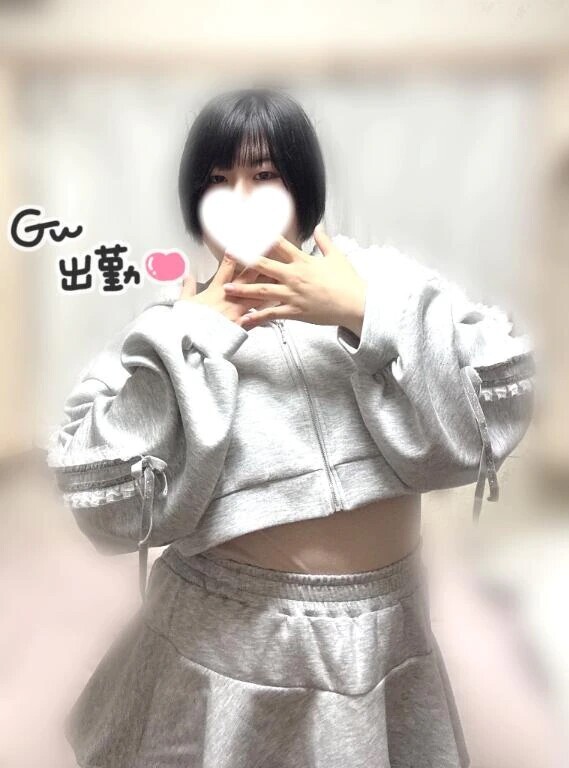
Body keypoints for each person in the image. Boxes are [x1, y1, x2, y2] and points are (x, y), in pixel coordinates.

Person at [46, 87, 536, 768]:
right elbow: (102, 500)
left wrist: (366, 310)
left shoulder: (378, 280)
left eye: (265, 175)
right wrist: (189, 341)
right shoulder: (169, 327)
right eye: (219, 181)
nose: (241, 200)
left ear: (302, 184)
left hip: (383, 640)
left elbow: (500, 399)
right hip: (220, 650)